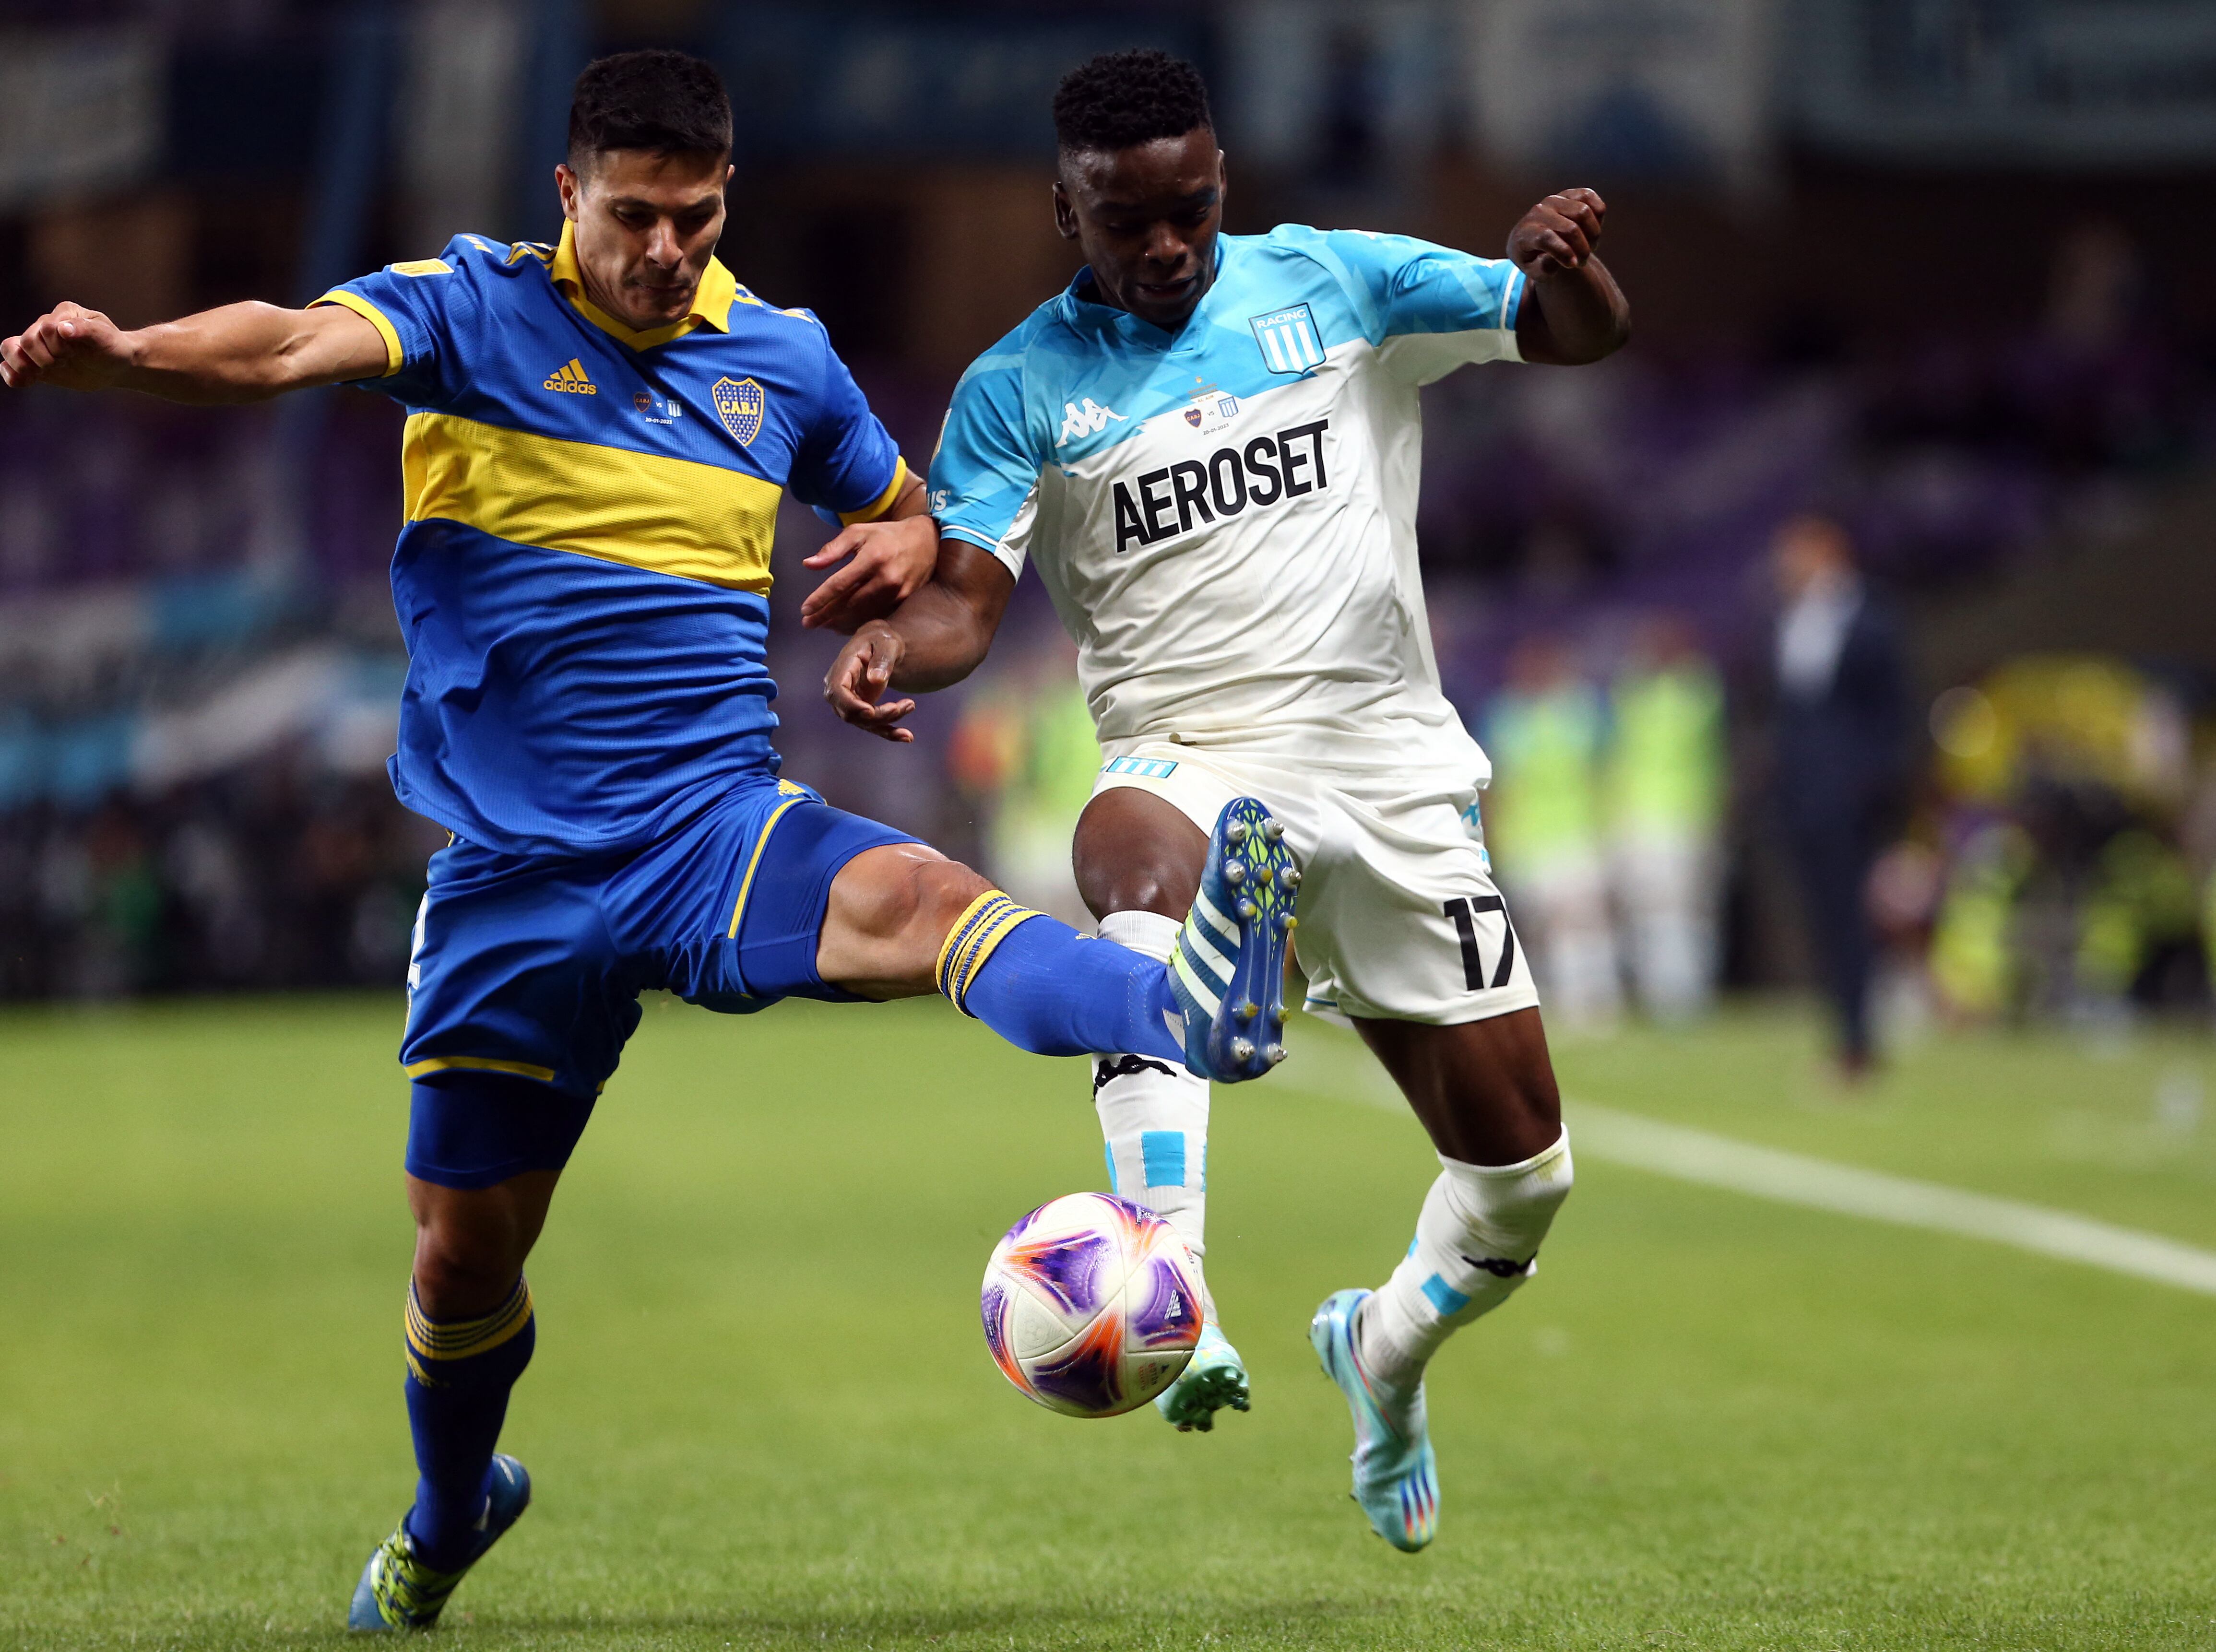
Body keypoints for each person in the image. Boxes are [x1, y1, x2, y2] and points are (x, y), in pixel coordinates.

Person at [1, 48, 1288, 1630]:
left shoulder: (781, 359)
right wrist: (128, 351)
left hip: (707, 826)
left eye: (695, 216)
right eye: (634, 218)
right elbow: (284, 342)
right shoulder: (471, 311)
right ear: (568, 198)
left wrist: (894, 550)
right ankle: (451, 1501)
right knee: (462, 1264)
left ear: (723, 196)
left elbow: (913, 521)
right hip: (510, 873)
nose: (667, 249)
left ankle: (1180, 1012)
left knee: (921, 897)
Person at [824, 49, 1628, 1550]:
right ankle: (1174, 1276)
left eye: (1190, 210)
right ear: (1070, 213)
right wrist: (896, 647)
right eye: (1128, 223)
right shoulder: (1015, 390)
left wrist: (1558, 271)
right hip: (1189, 748)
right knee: (1126, 854)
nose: (1167, 246)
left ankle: (1380, 1354)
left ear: (1219, 186)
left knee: (1522, 1174)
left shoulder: (1342, 280)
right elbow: (966, 607)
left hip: (1388, 759)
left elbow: (1572, 332)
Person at [1770, 514, 1911, 1079]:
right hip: (1804, 796)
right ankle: (1843, 1035)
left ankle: (1858, 1040)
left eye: (1795, 553)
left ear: (1828, 552)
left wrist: (1874, 785)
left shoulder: (1870, 620)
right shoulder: (1787, 621)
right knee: (1824, 920)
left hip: (1850, 797)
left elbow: (1889, 709)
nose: (1785, 566)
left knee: (1851, 920)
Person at [1484, 636, 1621, 1031]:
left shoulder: (1582, 712)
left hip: (1576, 835)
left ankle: (1596, 1003)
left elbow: (1605, 771)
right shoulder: (1506, 718)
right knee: (1542, 929)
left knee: (1581, 922)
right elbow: (1496, 785)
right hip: (1526, 840)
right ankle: (1560, 1003)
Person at [1605, 616, 1726, 1021]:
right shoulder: (1636, 693)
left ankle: (1685, 992)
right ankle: (1660, 990)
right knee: (1649, 910)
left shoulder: (1696, 693)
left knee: (1683, 909)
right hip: (1640, 816)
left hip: (1684, 814)